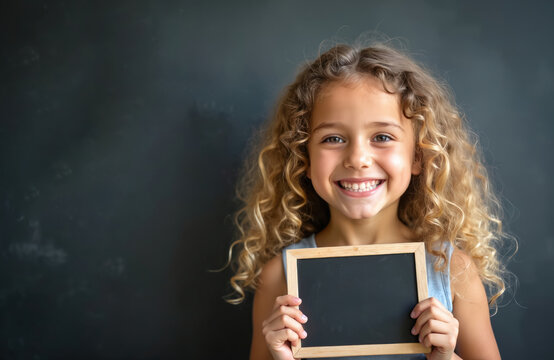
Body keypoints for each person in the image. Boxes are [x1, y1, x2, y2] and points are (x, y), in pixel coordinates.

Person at [226, 43, 511, 360]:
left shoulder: (451, 270)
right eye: (333, 138)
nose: (358, 159)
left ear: (418, 155)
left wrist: (446, 356)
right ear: (303, 157)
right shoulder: (278, 276)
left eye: (382, 137)